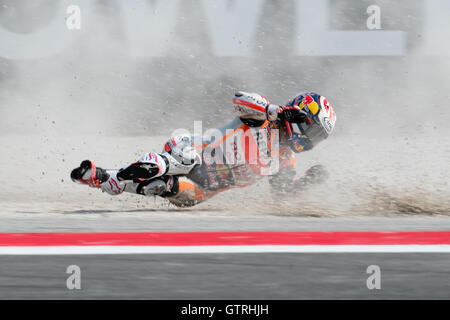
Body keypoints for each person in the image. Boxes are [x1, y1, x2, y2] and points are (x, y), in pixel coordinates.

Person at [71, 91, 337, 206]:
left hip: (201, 191)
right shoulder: (264, 116)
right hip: (192, 152)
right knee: (173, 163)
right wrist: (275, 111)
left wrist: (307, 183)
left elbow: (282, 197)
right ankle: (110, 180)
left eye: (317, 138)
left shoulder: (285, 159)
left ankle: (100, 177)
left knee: (161, 186)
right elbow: (239, 98)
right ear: (299, 115)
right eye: (312, 130)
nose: (310, 141)